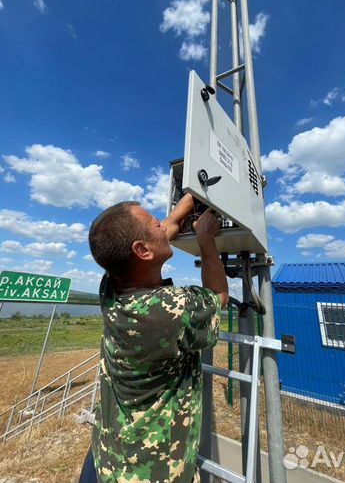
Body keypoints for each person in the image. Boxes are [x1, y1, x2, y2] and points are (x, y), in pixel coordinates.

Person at [87, 194, 229, 483]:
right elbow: (219, 296)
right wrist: (206, 239)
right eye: (156, 225)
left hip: (111, 457)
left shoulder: (112, 288)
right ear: (141, 250)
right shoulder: (171, 311)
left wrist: (193, 193)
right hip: (153, 471)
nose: (163, 227)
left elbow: (169, 225)